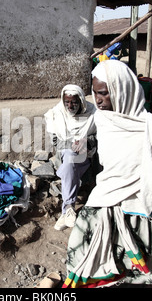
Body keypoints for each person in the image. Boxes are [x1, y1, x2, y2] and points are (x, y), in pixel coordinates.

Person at [62, 60, 152, 288]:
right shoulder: (103, 121)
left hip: (138, 204)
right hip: (106, 197)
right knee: (87, 252)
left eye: (104, 93)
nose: (98, 99)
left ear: (122, 90)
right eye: (95, 93)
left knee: (142, 257)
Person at [44, 84, 97, 231]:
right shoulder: (57, 114)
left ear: (81, 100)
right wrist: (72, 143)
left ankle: (66, 211)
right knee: (69, 159)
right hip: (66, 153)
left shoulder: (93, 113)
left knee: (71, 162)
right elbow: (55, 141)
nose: (70, 105)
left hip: (88, 153)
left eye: (74, 102)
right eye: (67, 102)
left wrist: (87, 141)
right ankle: (68, 208)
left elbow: (101, 134)